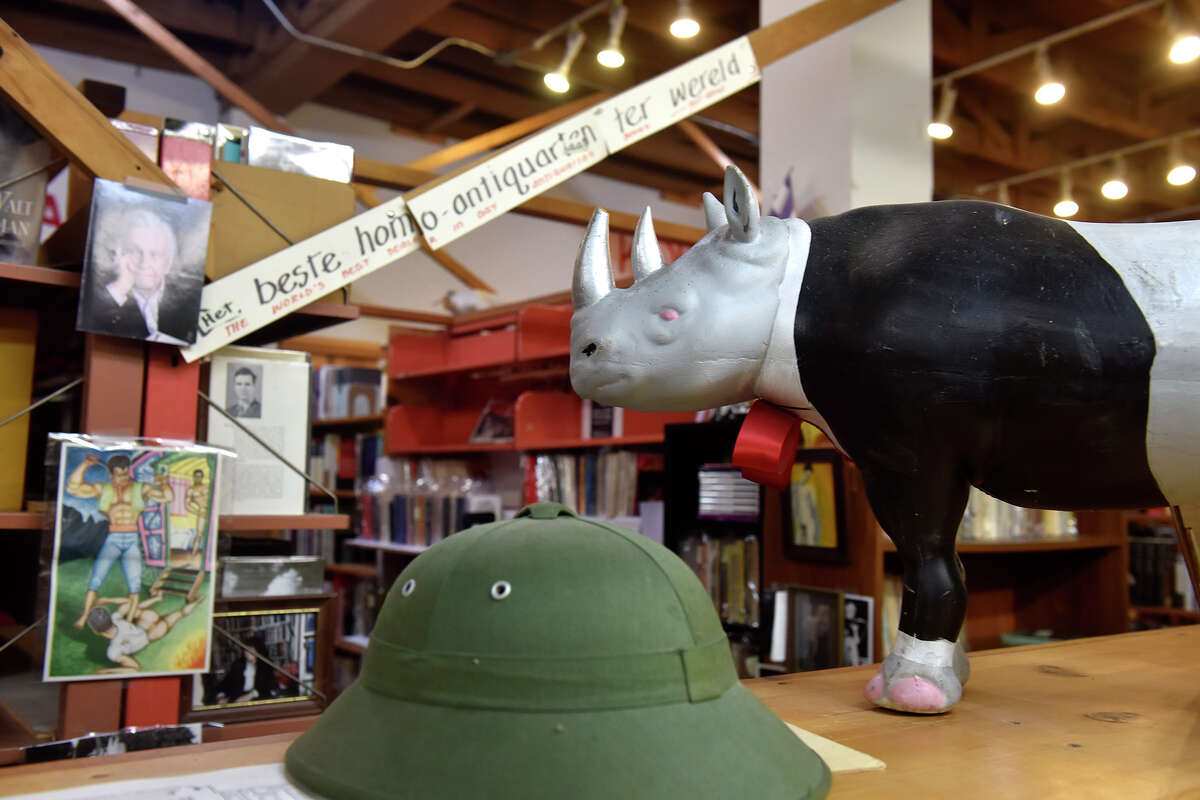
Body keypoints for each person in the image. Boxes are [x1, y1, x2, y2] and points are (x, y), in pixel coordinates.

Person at [67, 453, 174, 628]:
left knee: (134, 584)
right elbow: (73, 488)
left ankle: (130, 621)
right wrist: (85, 464)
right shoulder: (103, 489)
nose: (122, 479)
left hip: (132, 537)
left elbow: (168, 497)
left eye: (125, 474)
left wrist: (164, 483)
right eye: (118, 475)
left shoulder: (142, 488)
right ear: (110, 474)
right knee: (96, 579)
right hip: (113, 537)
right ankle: (85, 615)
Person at [79, 206, 197, 344]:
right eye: (136, 251)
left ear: (168, 263)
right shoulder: (108, 293)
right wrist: (120, 286)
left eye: (154, 254)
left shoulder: (188, 303)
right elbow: (92, 323)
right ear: (122, 253)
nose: (144, 263)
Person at [85, 590, 205, 674]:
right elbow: (130, 602)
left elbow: (134, 668)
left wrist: (106, 671)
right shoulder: (116, 617)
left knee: (180, 613)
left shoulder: (113, 651)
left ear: (96, 631)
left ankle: (193, 602)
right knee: (134, 609)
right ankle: (198, 601)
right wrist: (107, 600)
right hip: (147, 619)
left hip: (153, 633)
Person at [215, 633, 277, 703]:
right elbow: (225, 684)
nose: (246, 652)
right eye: (245, 649)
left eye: (249, 649)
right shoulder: (238, 665)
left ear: (258, 650)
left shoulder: (265, 665)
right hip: (237, 700)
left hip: (258, 700)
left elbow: (270, 686)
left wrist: (252, 695)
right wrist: (221, 695)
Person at [184, 468, 210, 564]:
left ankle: (208, 557)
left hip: (211, 510)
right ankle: (193, 556)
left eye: (200, 476)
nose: (198, 478)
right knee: (199, 534)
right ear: (193, 477)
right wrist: (197, 512)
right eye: (196, 476)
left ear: (202, 477)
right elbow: (186, 505)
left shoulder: (207, 487)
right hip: (202, 511)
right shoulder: (191, 490)